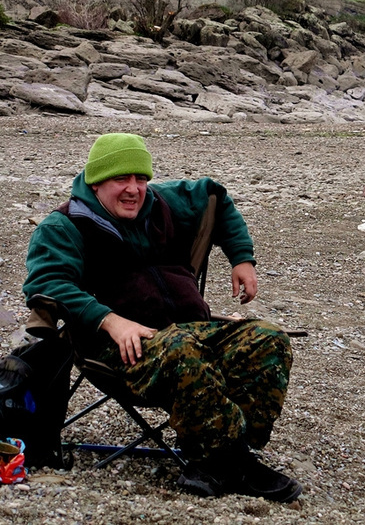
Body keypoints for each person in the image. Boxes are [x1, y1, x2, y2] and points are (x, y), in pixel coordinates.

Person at [22, 132, 301, 502]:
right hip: (119, 349)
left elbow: (214, 194)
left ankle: (218, 457)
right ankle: (232, 462)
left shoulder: (163, 203)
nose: (133, 189)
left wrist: (242, 257)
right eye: (121, 179)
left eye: (140, 178)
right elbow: (45, 284)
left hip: (190, 329)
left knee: (269, 338)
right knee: (181, 348)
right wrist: (110, 320)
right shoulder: (64, 226)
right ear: (96, 180)